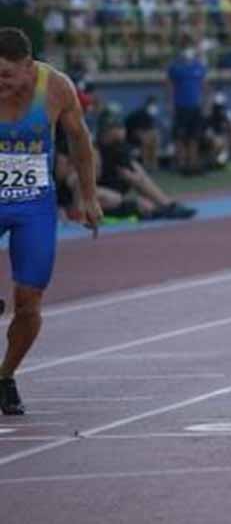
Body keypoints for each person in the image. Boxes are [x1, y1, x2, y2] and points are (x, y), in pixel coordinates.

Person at [0, 27, 103, 415]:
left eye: (7, 75)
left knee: (28, 303)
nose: (2, 84)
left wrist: (88, 196)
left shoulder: (56, 88)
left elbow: (79, 140)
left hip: (33, 206)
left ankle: (5, 375)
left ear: (29, 67)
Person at [166, 38, 209, 175]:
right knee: (180, 137)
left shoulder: (199, 66)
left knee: (194, 137)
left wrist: (205, 104)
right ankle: (182, 164)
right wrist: (170, 104)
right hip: (181, 107)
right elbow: (169, 87)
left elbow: (204, 87)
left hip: (195, 107)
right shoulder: (175, 67)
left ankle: (192, 164)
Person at [124, 95, 162, 170]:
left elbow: (150, 130)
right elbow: (137, 131)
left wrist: (154, 136)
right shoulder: (140, 114)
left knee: (154, 139)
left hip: (142, 135)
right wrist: (148, 136)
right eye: (153, 104)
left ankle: (153, 165)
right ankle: (146, 164)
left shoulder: (150, 116)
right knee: (146, 139)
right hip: (130, 137)